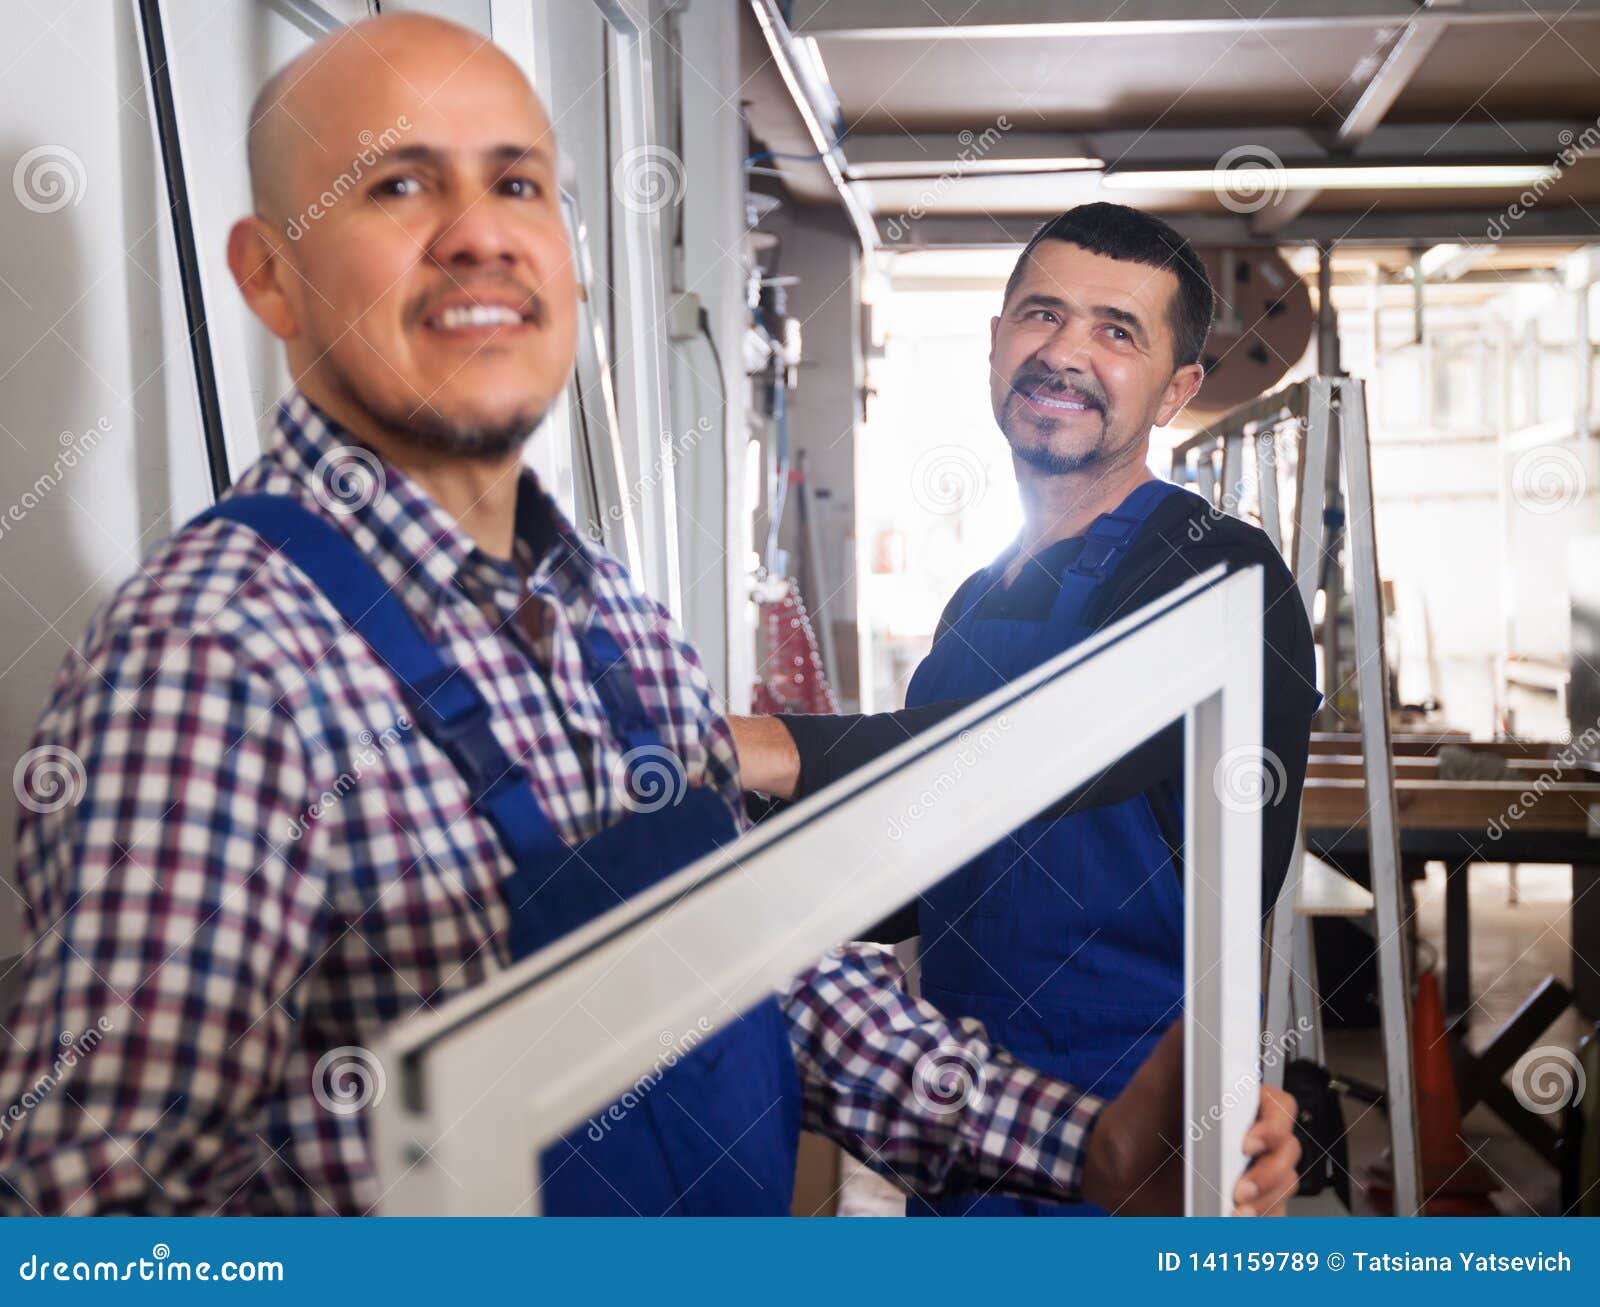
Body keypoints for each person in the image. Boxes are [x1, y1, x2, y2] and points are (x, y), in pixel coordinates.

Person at [0, 20, 1298, 1216]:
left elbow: (762, 971)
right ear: (271, 278)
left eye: (515, 185)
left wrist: (1096, 1140)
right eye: (397, 185)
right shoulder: (217, 657)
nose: (476, 235)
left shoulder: (614, 630)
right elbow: (104, 1219)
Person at [732, 203, 1323, 1217]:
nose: (1063, 353)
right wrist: (723, 844)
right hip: (964, 1129)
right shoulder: (975, 603)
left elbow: (1054, 748)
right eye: (1040, 315)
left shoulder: (1223, 575)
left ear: (1179, 388)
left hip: (1142, 1148)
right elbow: (916, 880)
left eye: (1116, 330)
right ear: (996, 344)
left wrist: (762, 745)